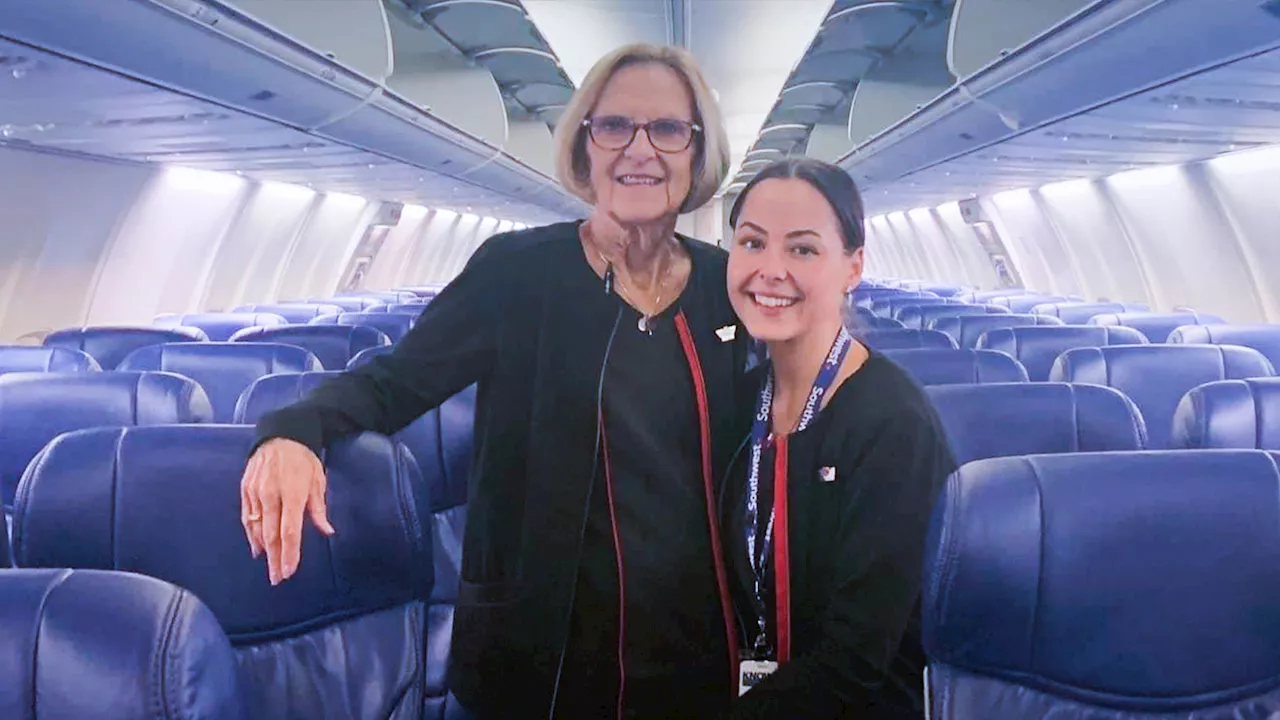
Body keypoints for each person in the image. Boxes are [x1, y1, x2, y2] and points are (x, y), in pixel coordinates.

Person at [238, 43, 753, 720]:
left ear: (697, 151)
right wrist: (293, 432)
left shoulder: (728, 286)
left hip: (697, 656)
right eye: (614, 126)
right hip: (540, 655)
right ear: (585, 146)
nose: (640, 149)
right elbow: (396, 382)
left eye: (667, 129)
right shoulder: (516, 272)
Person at [722, 158, 956, 718]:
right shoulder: (734, 403)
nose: (770, 269)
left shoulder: (893, 424)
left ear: (853, 267)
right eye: (752, 243)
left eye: (802, 249)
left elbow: (855, 660)